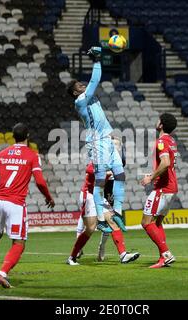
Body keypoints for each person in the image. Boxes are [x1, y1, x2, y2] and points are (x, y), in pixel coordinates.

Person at [0, 123, 55, 288]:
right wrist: (49, 197)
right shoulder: (32, 155)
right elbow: (39, 181)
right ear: (28, 136)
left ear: (12, 136)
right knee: (19, 242)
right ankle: (2, 273)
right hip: (15, 204)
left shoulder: (2, 154)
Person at [66, 47, 126, 233]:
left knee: (120, 174)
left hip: (106, 139)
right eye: (79, 87)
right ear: (76, 93)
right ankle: (100, 219)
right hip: (96, 142)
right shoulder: (81, 101)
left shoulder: (89, 98)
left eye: (82, 85)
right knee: (100, 180)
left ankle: (117, 211)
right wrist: (97, 60)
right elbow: (95, 79)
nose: (83, 86)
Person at [68, 160, 140, 266]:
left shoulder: (109, 161)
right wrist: (107, 172)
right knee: (90, 228)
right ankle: (72, 257)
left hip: (99, 195)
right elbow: (89, 169)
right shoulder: (97, 160)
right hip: (89, 195)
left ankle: (123, 255)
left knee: (113, 221)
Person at [140, 113, 178, 268]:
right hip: (171, 187)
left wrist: (151, 178)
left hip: (163, 188)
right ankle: (163, 258)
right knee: (157, 223)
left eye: (158, 120)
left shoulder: (162, 141)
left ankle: (166, 254)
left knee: (146, 222)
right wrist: (153, 174)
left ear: (161, 125)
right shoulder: (172, 140)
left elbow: (165, 163)